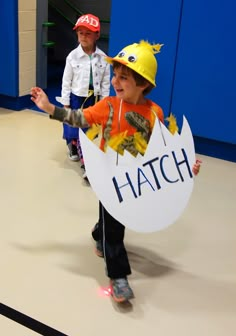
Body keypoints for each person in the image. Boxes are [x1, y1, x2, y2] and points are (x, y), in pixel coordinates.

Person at [31, 40, 201, 303]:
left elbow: (162, 151)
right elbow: (79, 118)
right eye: (115, 75)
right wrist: (49, 108)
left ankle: (99, 233)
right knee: (115, 225)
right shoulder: (109, 106)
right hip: (108, 177)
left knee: (113, 220)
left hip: (132, 179)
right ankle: (118, 275)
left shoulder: (153, 112)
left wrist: (184, 166)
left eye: (124, 78)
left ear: (143, 84)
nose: (115, 82)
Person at [57, 13, 110, 178]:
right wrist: (65, 103)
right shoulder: (72, 57)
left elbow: (106, 82)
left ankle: (87, 162)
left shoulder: (103, 58)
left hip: (94, 98)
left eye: (88, 33)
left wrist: (104, 103)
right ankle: (72, 144)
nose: (84, 37)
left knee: (88, 129)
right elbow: (66, 81)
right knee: (73, 126)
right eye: (81, 33)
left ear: (97, 35)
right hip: (76, 97)